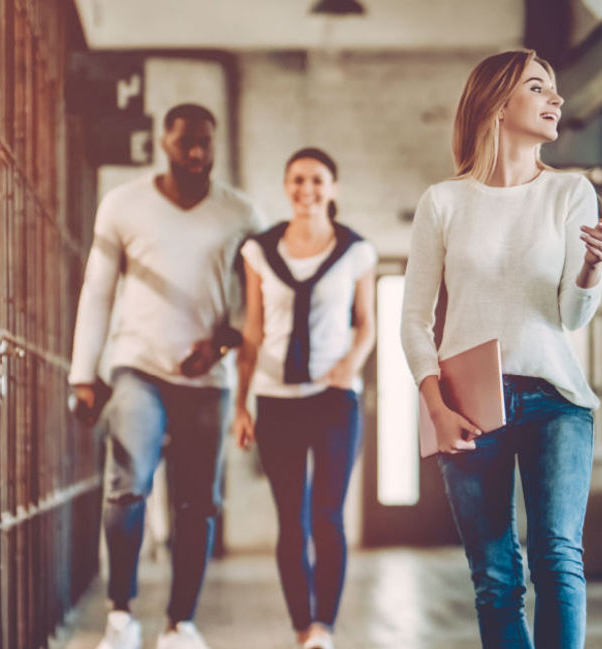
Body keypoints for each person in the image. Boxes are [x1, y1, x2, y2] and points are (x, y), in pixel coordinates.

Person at [399, 49, 602, 649]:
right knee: (495, 578)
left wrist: (592, 270)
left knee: (557, 559)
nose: (557, 100)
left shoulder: (572, 192)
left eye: (554, 91)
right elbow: (415, 320)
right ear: (498, 103)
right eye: (539, 88)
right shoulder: (442, 202)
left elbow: (569, 316)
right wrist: (436, 409)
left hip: (555, 399)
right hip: (468, 405)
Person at [70, 103, 264, 649]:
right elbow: (98, 289)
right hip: (138, 367)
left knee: (198, 503)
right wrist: (83, 374)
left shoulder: (241, 212)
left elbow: (260, 300)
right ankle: (121, 615)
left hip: (208, 378)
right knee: (128, 487)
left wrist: (223, 343)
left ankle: (181, 624)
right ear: (164, 142)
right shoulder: (123, 205)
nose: (198, 154)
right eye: (187, 144)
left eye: (206, 143)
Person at [231, 147, 376, 649]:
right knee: (291, 520)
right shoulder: (259, 250)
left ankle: (324, 628)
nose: (306, 190)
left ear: (332, 188)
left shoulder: (356, 251)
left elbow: (367, 325)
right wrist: (241, 404)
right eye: (297, 180)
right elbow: (252, 329)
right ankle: (300, 628)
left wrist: (348, 366)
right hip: (275, 400)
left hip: (335, 400)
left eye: (317, 180)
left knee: (327, 516)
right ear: (286, 186)